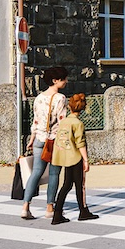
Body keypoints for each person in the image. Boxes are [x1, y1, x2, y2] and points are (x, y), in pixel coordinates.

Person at [20, 66, 68, 220]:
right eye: (63, 79)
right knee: (54, 174)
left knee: (36, 173)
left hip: (39, 139)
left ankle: (26, 206)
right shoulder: (60, 98)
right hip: (54, 140)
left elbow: (36, 119)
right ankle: (49, 208)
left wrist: (32, 137)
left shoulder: (39, 97)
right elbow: (62, 122)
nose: (66, 81)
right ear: (55, 81)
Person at [50, 93, 99, 224]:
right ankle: (83, 211)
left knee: (66, 185)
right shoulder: (78, 123)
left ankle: (57, 213)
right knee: (80, 185)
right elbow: (80, 143)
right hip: (76, 157)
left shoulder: (64, 121)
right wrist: (86, 160)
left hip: (65, 156)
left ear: (70, 107)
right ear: (82, 108)